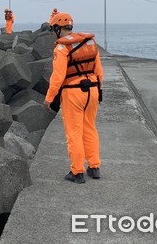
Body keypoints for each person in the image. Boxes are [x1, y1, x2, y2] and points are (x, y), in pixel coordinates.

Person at [44, 11, 104, 184]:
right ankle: (94, 167)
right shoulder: (90, 42)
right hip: (92, 90)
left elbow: (58, 77)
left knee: (74, 132)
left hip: (73, 93)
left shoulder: (62, 48)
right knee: (90, 128)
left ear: (57, 28)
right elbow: (99, 72)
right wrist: (98, 90)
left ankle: (77, 172)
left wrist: (49, 99)